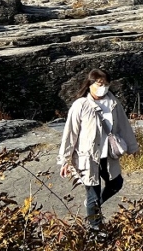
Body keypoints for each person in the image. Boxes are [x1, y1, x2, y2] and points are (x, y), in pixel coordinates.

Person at [58, 69, 138, 232]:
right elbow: (70, 134)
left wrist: (132, 147)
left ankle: (92, 208)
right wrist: (65, 160)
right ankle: (95, 228)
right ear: (90, 84)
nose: (104, 88)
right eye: (100, 84)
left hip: (108, 155)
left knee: (116, 183)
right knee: (92, 194)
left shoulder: (113, 102)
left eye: (107, 84)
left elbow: (124, 126)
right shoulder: (80, 105)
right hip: (87, 157)